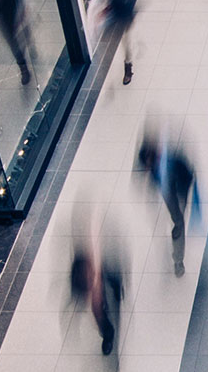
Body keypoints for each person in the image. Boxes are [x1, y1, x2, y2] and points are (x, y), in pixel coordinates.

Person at [136, 131, 198, 277]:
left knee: (179, 222)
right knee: (178, 221)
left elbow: (187, 172)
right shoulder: (150, 161)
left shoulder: (172, 160)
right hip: (169, 191)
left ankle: (178, 259)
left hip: (179, 188)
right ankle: (178, 258)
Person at [70, 243, 124, 357]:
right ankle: (108, 332)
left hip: (98, 252)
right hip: (88, 255)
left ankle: (114, 282)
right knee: (97, 308)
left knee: (107, 268)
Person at [0, 0, 31, 86]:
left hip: (15, 12)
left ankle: (30, 44)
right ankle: (23, 68)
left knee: (23, 33)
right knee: (13, 43)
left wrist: (21, 12)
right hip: (4, 16)